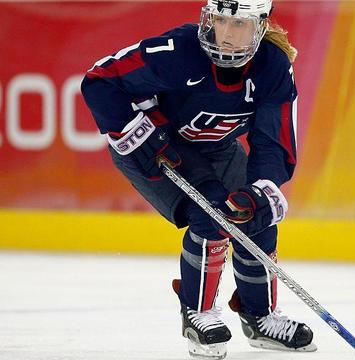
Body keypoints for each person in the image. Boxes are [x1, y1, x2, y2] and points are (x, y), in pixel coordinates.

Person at [81, 0, 316, 357]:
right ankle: (198, 313)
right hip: (155, 148)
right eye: (220, 21)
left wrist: (261, 189)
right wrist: (145, 134)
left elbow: (272, 139)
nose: (226, 34)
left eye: (239, 25)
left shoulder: (272, 66)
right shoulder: (179, 52)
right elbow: (100, 80)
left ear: (261, 26)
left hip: (217, 150)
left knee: (255, 216)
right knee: (211, 215)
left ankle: (260, 317)